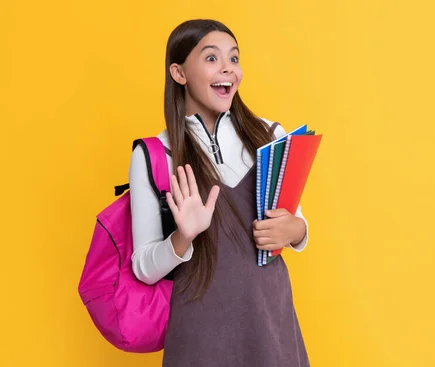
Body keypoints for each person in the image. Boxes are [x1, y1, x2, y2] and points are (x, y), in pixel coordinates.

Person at [127, 19, 310, 367]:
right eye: (211, 58)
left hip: (270, 322)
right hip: (199, 334)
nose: (228, 68)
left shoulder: (271, 136)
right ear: (179, 73)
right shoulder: (154, 155)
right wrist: (183, 237)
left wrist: (294, 231)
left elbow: (296, 220)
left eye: (234, 58)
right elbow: (143, 268)